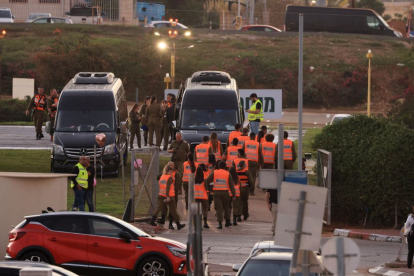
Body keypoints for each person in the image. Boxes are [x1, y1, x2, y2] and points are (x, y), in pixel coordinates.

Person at [148, 165, 186, 230]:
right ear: (169, 171)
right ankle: (178, 224)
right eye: (171, 171)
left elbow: (162, 186)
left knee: (159, 208)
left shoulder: (162, 177)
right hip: (170, 196)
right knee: (173, 210)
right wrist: (168, 196)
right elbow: (168, 188)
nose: (172, 173)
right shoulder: (169, 178)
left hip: (161, 195)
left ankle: (152, 220)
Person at [205, 161, 235, 229]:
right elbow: (231, 185)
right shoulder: (228, 174)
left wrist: (210, 189)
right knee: (226, 207)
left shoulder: (214, 172)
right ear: (225, 167)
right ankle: (227, 221)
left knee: (219, 208)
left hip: (216, 192)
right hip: (225, 192)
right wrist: (234, 194)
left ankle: (220, 223)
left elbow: (207, 181)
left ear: (218, 166)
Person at [158, 161, 182, 230]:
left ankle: (171, 223)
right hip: (164, 194)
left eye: (170, 166)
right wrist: (163, 174)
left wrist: (172, 189)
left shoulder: (176, 174)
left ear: (173, 167)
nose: (168, 168)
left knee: (172, 209)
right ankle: (163, 219)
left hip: (172, 194)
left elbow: (178, 185)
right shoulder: (164, 174)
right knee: (163, 207)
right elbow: (158, 177)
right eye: (167, 166)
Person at [232, 149, 253, 221]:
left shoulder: (234, 163)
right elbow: (251, 180)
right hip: (245, 187)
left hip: (237, 187)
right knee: (245, 202)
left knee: (238, 201)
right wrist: (251, 189)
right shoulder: (247, 167)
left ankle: (238, 216)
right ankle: (245, 215)